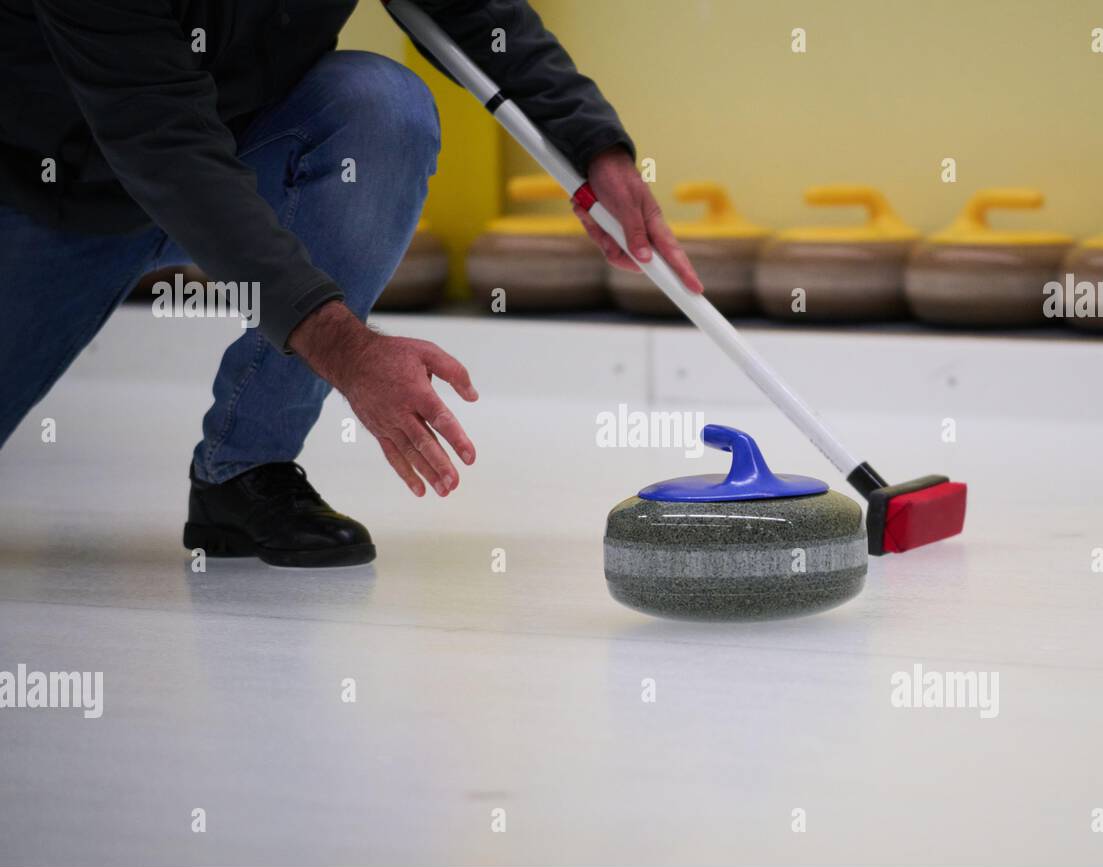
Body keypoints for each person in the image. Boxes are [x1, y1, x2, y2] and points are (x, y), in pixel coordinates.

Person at [0, 0, 702, 567]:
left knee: (377, 108)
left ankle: (246, 471)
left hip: (246, 158)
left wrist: (594, 147)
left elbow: (479, 15)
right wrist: (351, 351)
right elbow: (164, 150)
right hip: (48, 196)